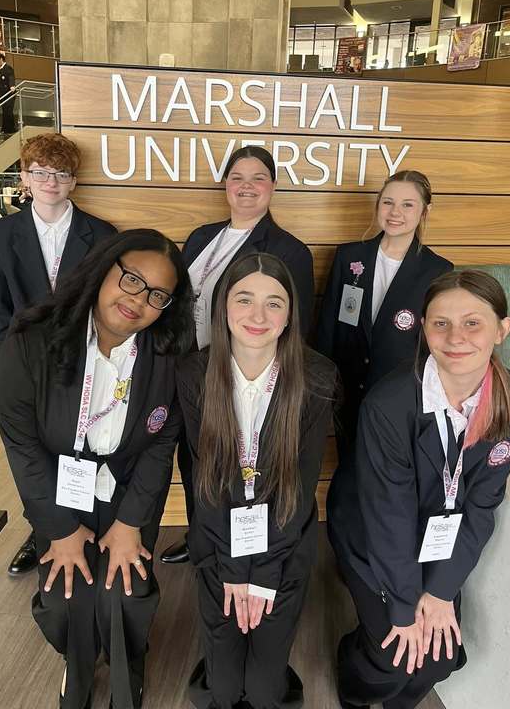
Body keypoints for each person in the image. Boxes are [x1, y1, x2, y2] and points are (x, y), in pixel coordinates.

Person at [0, 229, 195, 709]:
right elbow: (22, 445)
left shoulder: (168, 357)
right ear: (104, 269)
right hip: (60, 489)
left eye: (157, 295)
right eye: (131, 279)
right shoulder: (32, 340)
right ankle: (77, 665)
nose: (138, 300)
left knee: (123, 592)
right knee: (66, 597)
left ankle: (129, 671)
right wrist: (60, 529)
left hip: (128, 493)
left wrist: (130, 524)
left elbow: (160, 446)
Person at [330, 269, 510, 709]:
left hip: (436, 538)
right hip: (369, 531)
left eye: (473, 323)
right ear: (423, 328)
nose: (456, 337)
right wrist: (405, 608)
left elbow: (481, 504)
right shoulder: (389, 405)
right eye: (441, 323)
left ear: (502, 329)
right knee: (393, 657)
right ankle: (353, 684)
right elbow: (389, 516)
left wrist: (440, 592)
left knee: (438, 661)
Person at [176, 252, 340, 709]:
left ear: (289, 316)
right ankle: (223, 668)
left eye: (274, 303)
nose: (258, 315)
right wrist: (233, 571)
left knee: (266, 693)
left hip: (284, 545)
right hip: (217, 542)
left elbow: (298, 489)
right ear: (223, 306)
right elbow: (204, 483)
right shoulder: (193, 374)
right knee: (225, 691)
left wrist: (262, 576)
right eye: (244, 299)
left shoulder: (317, 377)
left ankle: (265, 668)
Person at [162, 144, 315, 565]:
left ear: (273, 187)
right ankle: (201, 537)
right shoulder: (201, 237)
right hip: (191, 372)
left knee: (237, 462)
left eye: (258, 179)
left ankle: (241, 548)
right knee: (193, 458)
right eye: (237, 178)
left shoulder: (289, 250)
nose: (247, 187)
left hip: (242, 377)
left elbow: (295, 329)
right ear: (225, 185)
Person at [0, 132, 117, 577]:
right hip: (24, 369)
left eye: (60, 173)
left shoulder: (102, 235)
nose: (50, 182)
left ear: (74, 180)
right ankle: (41, 528)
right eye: (40, 172)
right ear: (24, 177)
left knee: (77, 449)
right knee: (32, 455)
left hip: (85, 367)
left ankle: (81, 527)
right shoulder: (1, 234)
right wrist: (4, 375)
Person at [316, 170, 453, 462]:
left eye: (407, 204)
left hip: (398, 397)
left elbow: (434, 346)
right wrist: (323, 386)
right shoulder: (349, 257)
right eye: (388, 202)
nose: (395, 212)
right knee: (348, 468)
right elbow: (328, 327)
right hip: (347, 394)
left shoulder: (437, 270)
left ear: (425, 211)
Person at [0, 52, 16, 134]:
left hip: (8, 93)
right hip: (3, 94)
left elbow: (11, 77)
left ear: (1, 59)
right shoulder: (1, 69)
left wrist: (12, 85)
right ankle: (5, 129)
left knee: (8, 112)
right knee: (5, 111)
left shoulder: (8, 68)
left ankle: (10, 129)